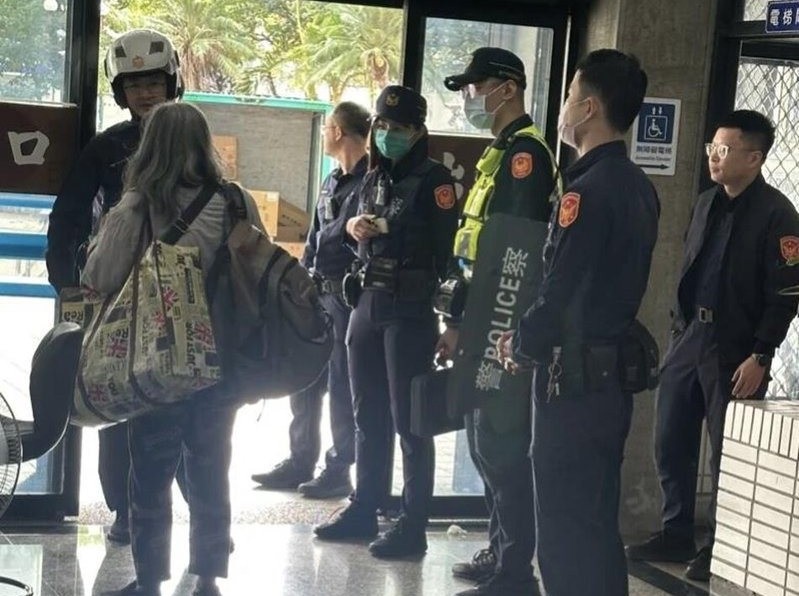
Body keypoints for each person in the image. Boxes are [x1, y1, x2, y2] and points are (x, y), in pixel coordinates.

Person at [81, 102, 262, 596]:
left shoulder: (138, 206)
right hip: (222, 359)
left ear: (150, 147)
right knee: (211, 470)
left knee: (150, 475)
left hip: (155, 361)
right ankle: (208, 578)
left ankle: (150, 582)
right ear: (204, 144)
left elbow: (100, 275)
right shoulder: (237, 202)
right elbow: (258, 270)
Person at [497, 49, 658, 595]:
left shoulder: (584, 192)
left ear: (589, 108)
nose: (563, 108)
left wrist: (522, 343)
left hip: (572, 383)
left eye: (568, 96)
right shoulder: (637, 185)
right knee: (596, 525)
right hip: (608, 383)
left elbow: (561, 288)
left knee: (563, 531)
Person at [625, 109, 799, 581]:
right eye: (711, 148)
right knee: (670, 439)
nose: (714, 157)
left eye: (724, 150)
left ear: (754, 158)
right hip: (690, 337)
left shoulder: (778, 214)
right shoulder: (706, 202)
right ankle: (676, 531)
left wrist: (761, 354)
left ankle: (720, 545)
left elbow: (786, 294)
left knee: (727, 452)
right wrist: (678, 332)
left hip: (736, 348)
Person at [46, 28, 183, 546]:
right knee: (118, 404)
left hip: (178, 299)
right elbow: (68, 216)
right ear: (120, 93)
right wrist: (66, 284)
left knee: (186, 404)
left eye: (153, 82)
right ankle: (126, 509)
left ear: (172, 84)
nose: (145, 93)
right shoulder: (105, 148)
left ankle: (197, 509)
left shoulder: (191, 141)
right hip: (116, 298)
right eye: (134, 85)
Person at [313, 85, 458, 558]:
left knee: (411, 423)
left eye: (399, 128)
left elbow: (449, 253)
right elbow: (352, 233)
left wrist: (453, 323)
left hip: (409, 309)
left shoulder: (435, 181)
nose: (388, 134)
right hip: (367, 302)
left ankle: (412, 524)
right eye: (382, 126)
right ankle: (364, 506)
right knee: (366, 415)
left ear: (417, 132)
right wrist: (353, 229)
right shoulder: (373, 176)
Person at [434, 47, 557, 596]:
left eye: (475, 87)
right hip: (481, 320)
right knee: (484, 446)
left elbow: (515, 256)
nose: (469, 98)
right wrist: (456, 317)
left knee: (502, 448)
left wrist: (482, 325)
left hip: (500, 324)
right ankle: (499, 550)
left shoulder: (525, 156)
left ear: (507, 88)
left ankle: (514, 571)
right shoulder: (501, 151)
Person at [250, 101, 370, 498]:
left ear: (338, 131)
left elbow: (345, 237)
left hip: (347, 298)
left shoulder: (370, 182)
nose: (323, 135)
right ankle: (300, 460)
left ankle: (339, 468)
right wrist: (300, 279)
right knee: (304, 379)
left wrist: (340, 232)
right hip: (316, 292)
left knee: (340, 385)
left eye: (326, 128)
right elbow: (317, 237)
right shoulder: (332, 180)